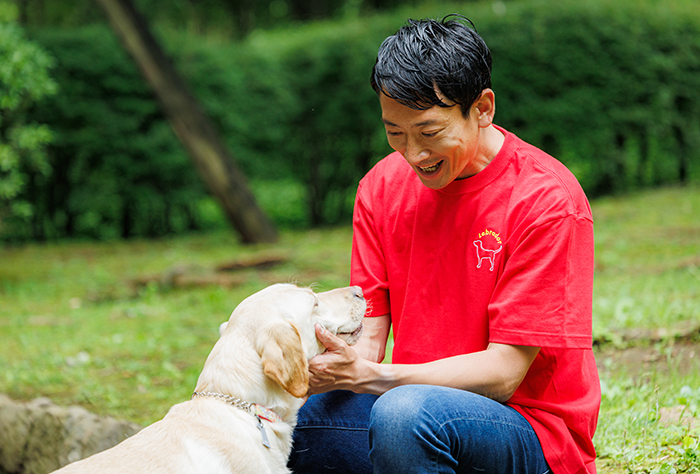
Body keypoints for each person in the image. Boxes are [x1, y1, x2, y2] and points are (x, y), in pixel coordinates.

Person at [287, 14, 600, 474]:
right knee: (290, 422)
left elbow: (505, 372)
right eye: (396, 133)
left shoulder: (545, 199)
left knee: (403, 415)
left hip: (530, 432)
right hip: (415, 415)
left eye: (430, 133)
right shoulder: (379, 189)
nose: (414, 154)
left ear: (483, 109)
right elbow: (368, 339)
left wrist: (378, 378)